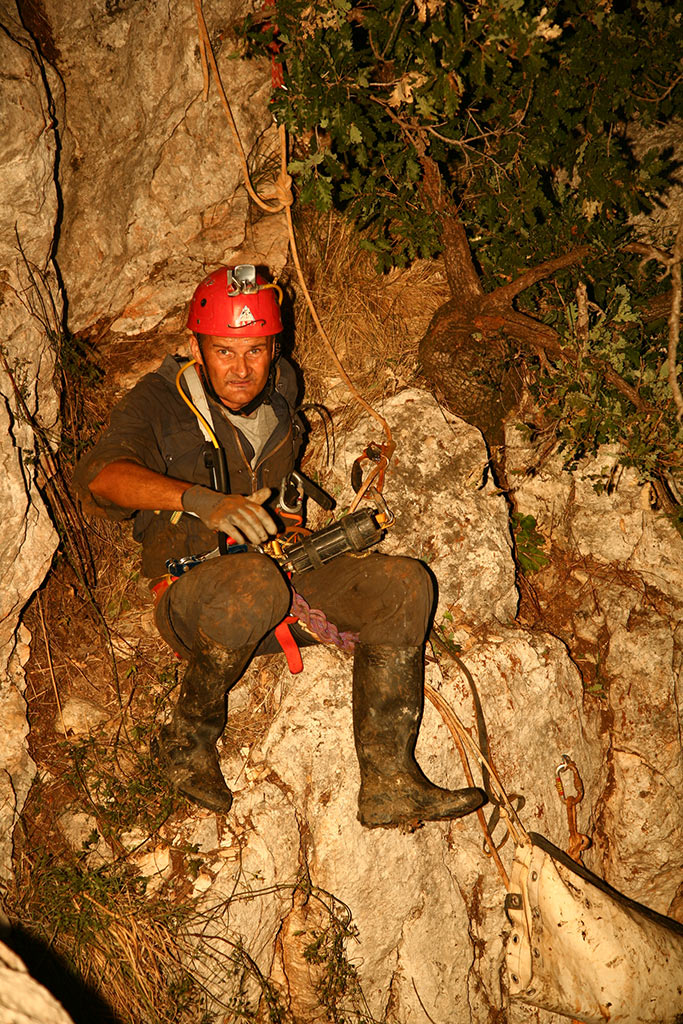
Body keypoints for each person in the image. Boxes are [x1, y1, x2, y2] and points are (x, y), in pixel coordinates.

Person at [74, 264, 486, 828]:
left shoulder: (283, 388)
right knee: (252, 585)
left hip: (285, 581)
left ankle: (390, 782)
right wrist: (203, 501)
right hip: (199, 598)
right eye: (224, 352)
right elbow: (100, 477)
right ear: (196, 347)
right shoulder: (158, 401)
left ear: (275, 348)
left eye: (256, 352)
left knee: (404, 583)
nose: (242, 369)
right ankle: (186, 743)